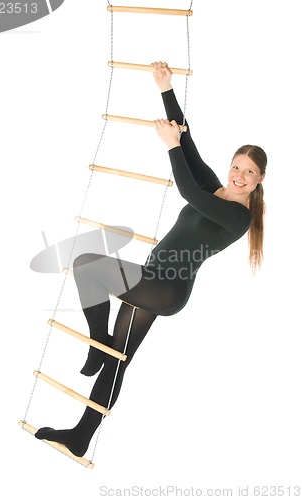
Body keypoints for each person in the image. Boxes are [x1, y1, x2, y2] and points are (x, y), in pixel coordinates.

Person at [35, 62, 267, 457]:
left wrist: (171, 148)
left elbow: (187, 192)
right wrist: (165, 89)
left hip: (166, 289)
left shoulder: (239, 217)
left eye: (249, 172)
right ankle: (80, 437)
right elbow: (187, 143)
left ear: (260, 179)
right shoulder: (216, 190)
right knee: (118, 360)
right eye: (236, 166)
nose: (239, 175)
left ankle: (97, 343)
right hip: (151, 277)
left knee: (87, 263)